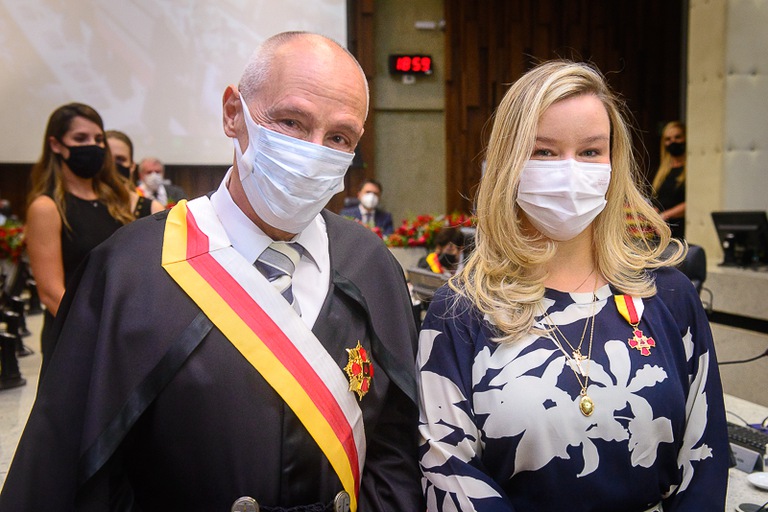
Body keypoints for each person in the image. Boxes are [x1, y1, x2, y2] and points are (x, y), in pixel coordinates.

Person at [1, 32, 422, 511]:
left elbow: (397, 448)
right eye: (291, 122)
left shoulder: (371, 267)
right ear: (233, 113)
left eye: (339, 138)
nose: (313, 153)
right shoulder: (128, 273)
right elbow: (74, 470)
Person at [417, 61, 728, 511]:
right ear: (508, 162)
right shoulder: (461, 311)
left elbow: (706, 452)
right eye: (544, 152)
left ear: (613, 161)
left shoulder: (668, 295)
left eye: (590, 151)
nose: (570, 171)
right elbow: (449, 468)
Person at [23, 103, 137, 379]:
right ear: (56, 145)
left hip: (120, 335)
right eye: (80, 138)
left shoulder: (117, 202)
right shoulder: (47, 207)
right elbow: (51, 293)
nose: (93, 146)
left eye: (98, 139)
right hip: (75, 339)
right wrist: (98, 331)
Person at [106, 130, 164, 218]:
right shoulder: (85, 205)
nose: (112, 166)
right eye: (107, 159)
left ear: (132, 166)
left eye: (120, 159)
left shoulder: (153, 209)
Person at [651, 121, 686, 239]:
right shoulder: (663, 170)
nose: (673, 142)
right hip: (660, 230)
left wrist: (665, 215)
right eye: (668, 139)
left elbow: (693, 202)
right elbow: (657, 199)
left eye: (677, 137)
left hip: (681, 227)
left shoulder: (690, 170)